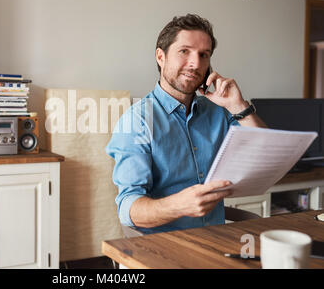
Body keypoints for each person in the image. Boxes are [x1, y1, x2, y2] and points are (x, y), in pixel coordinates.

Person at [105, 14, 267, 234]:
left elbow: (266, 156)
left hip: (217, 241)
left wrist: (239, 106)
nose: (195, 64)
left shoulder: (220, 111)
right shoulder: (137, 121)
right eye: (185, 51)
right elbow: (128, 209)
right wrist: (179, 205)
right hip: (165, 249)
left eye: (204, 55)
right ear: (160, 57)